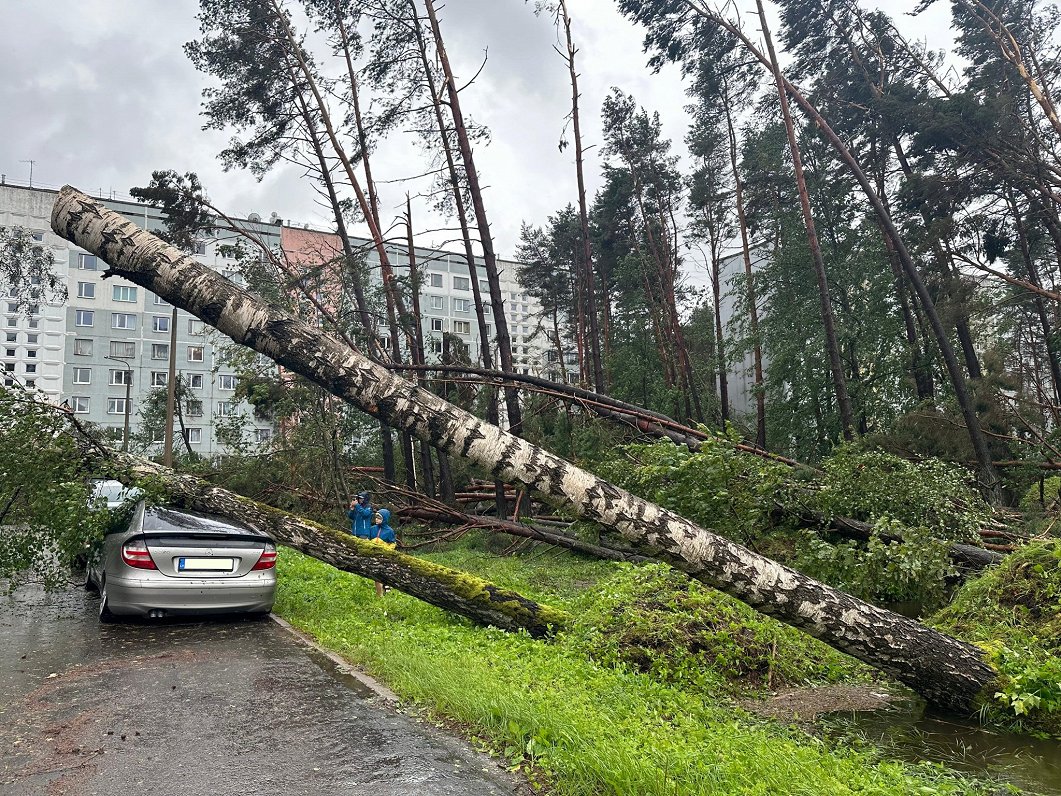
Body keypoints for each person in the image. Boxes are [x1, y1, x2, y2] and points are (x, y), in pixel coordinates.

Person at [369, 508, 397, 597]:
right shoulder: (372, 529)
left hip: (384, 556)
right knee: (376, 576)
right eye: (376, 517)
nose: (376, 519)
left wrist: (386, 551)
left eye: (379, 518)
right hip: (374, 555)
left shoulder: (389, 531)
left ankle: (387, 589)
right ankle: (379, 595)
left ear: (384, 519)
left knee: (384, 573)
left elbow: (392, 543)